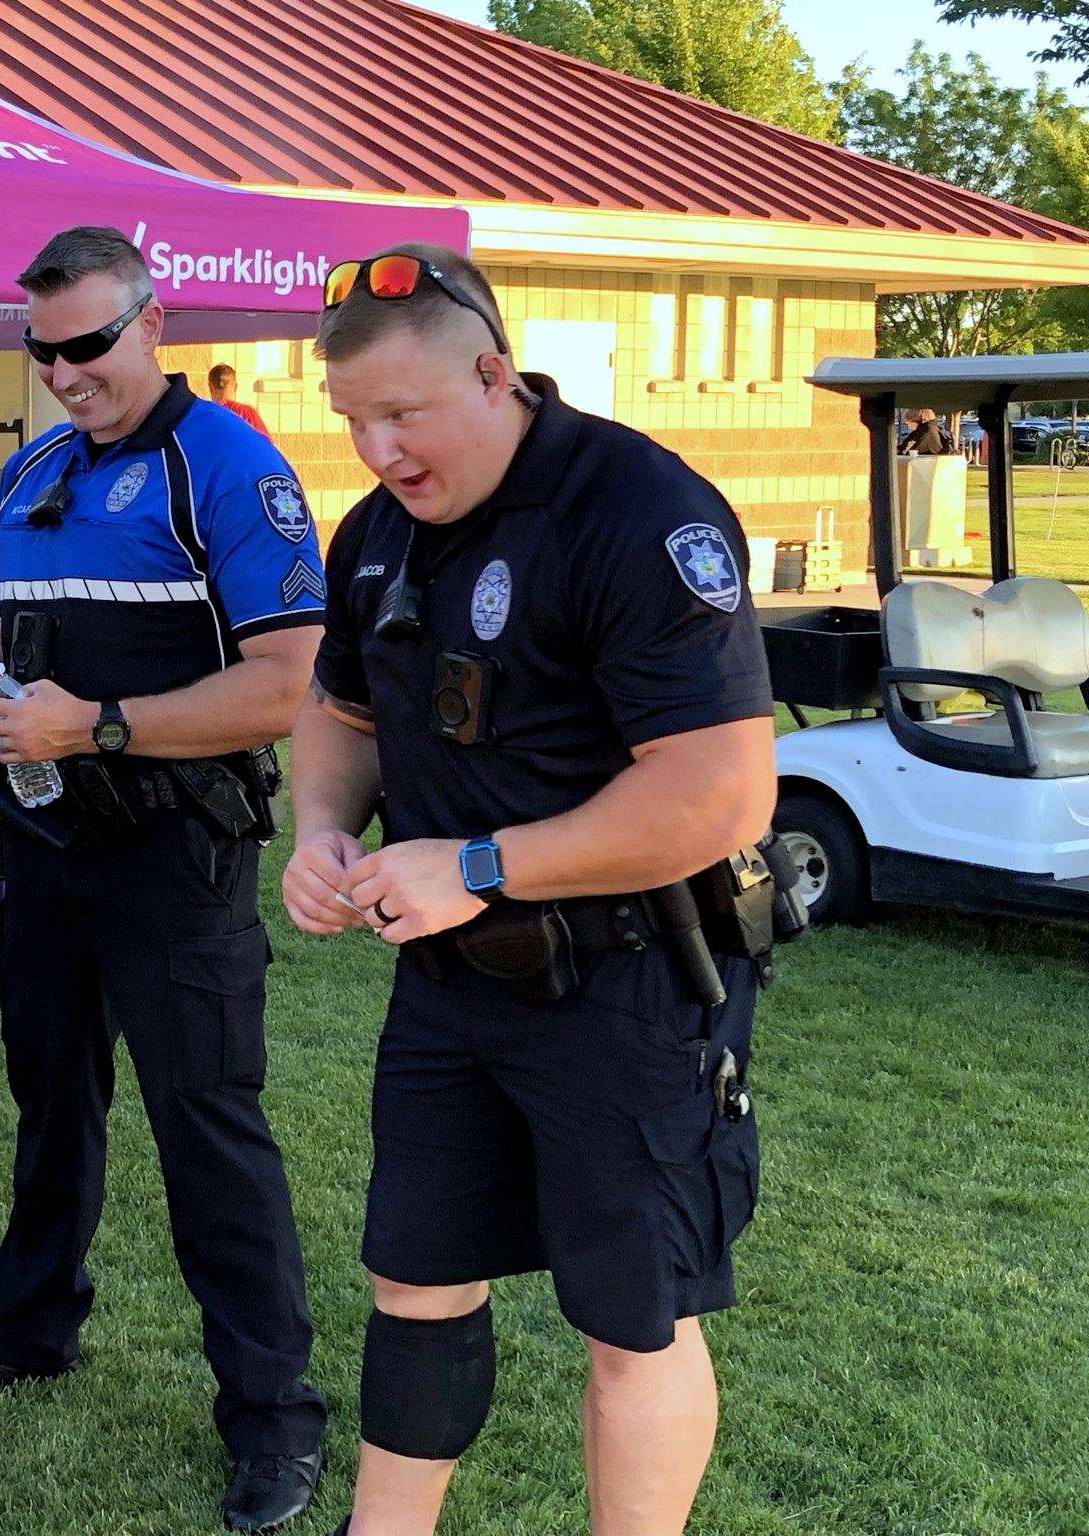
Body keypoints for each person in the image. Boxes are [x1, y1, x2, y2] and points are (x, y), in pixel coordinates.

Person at [279, 243, 775, 1536]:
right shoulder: (377, 531)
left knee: (632, 1317)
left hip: (627, 982)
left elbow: (718, 795)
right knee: (416, 1282)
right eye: (352, 420)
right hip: (450, 985)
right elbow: (338, 709)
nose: (378, 451)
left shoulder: (635, 510)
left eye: (403, 413)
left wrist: (479, 866)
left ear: (494, 373)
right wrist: (322, 829)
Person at [0, 226, 330, 1532]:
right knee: (51, 1105)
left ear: (153, 323)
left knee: (207, 1129)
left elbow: (288, 685)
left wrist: (92, 726)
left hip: (173, 854)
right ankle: (30, 1330)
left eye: (88, 344)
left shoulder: (228, 466)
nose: (64, 373)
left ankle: (273, 1420)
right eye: (42, 351)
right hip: (43, 845)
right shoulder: (35, 466)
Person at [208, 362, 272, 439]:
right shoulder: (248, 414)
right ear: (235, 387)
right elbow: (266, 443)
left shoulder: (202, 415)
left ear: (210, 387)